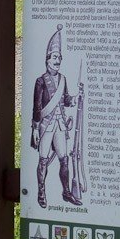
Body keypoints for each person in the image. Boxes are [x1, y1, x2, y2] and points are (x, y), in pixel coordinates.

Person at [31, 24, 82, 208]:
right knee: (43, 160)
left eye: (59, 57)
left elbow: (66, 100)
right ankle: (41, 192)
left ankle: (66, 192)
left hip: (60, 125)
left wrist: (76, 98)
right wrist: (35, 128)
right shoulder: (40, 81)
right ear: (48, 60)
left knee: (64, 159)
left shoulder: (63, 79)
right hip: (45, 126)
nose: (57, 60)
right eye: (54, 57)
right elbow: (37, 107)